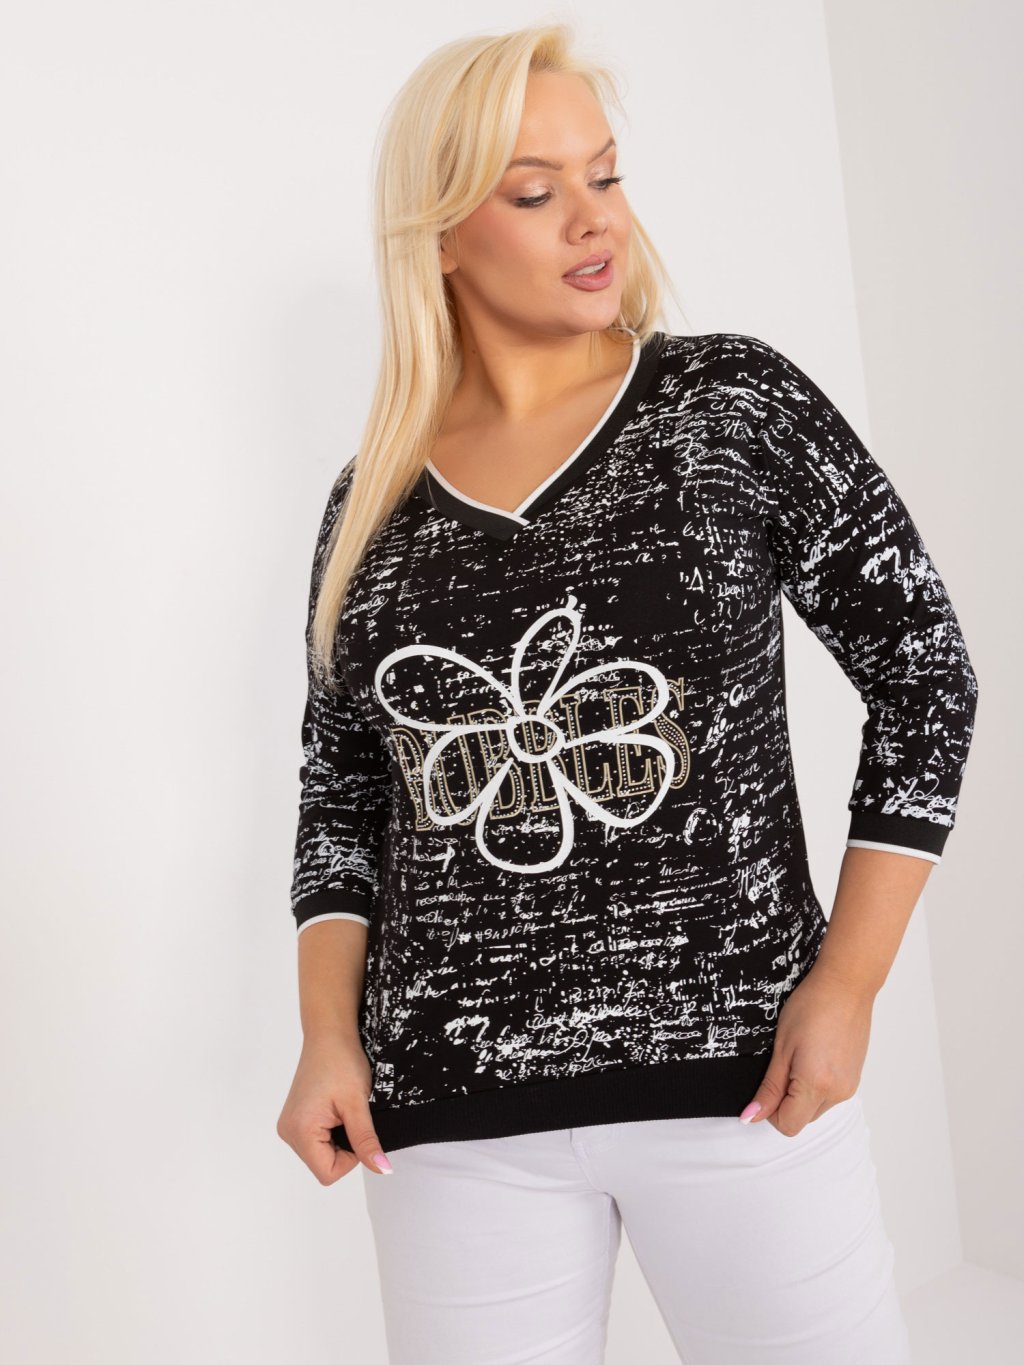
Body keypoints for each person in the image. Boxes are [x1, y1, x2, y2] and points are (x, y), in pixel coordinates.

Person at [276, 22, 978, 1365]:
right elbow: (343, 792)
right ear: (440, 235)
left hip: (743, 1088)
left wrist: (849, 981)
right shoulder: (372, 502)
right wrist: (325, 1037)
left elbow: (925, 675)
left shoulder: (729, 406)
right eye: (536, 192)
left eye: (603, 175)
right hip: (452, 1125)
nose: (593, 218)